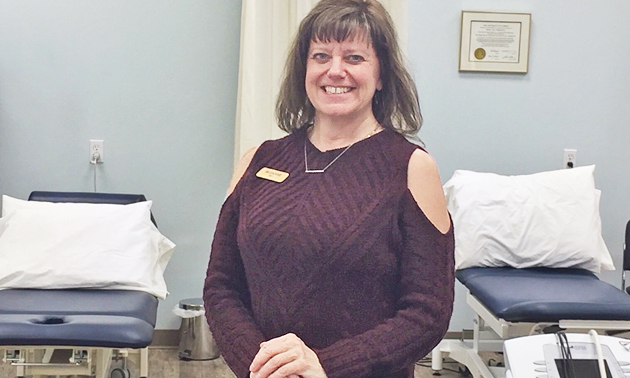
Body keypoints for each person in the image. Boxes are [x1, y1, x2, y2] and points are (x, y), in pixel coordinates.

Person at [203, 1, 455, 378]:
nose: (335, 70)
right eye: (321, 55)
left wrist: (325, 366)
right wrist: (266, 367)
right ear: (304, 69)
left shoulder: (411, 167)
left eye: (354, 57)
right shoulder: (256, 161)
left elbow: (428, 312)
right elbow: (221, 287)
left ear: (381, 74)